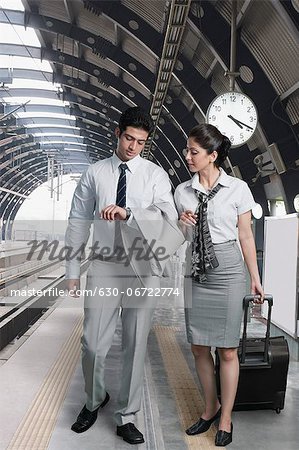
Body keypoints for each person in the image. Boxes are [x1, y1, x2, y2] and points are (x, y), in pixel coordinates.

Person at [65, 106, 182, 445]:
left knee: (134, 343)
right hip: (104, 265)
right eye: (129, 138)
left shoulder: (155, 175)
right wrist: (72, 270)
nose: (133, 147)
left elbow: (167, 218)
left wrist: (129, 213)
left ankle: (127, 415)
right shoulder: (95, 173)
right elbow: (77, 222)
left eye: (140, 142)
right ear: (117, 134)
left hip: (142, 268)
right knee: (92, 344)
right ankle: (93, 399)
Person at [174, 123, 264, 447]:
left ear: (212, 155)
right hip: (196, 270)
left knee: (227, 350)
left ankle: (226, 417)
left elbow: (245, 236)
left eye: (193, 152)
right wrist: (181, 224)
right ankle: (209, 408)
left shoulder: (238, 190)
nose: (187, 156)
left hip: (228, 271)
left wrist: (254, 277)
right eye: (187, 150)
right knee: (199, 346)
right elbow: (180, 239)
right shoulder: (182, 192)